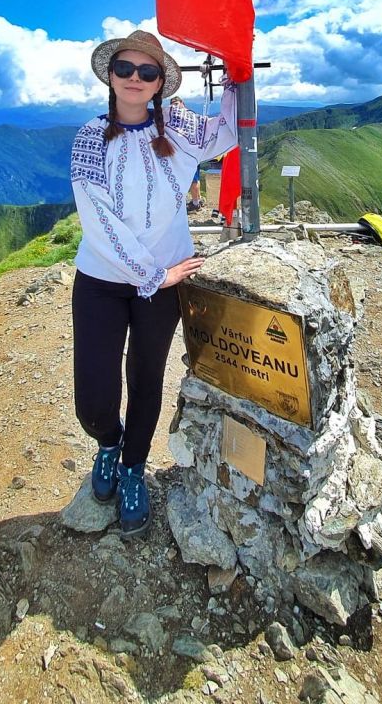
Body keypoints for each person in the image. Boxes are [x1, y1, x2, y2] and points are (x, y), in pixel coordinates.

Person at [70, 30, 237, 537]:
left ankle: (133, 466)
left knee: (146, 377)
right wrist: (152, 274)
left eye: (148, 72)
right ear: (110, 75)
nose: (135, 79)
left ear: (160, 82)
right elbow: (96, 216)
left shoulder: (180, 126)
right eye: (125, 69)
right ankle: (108, 441)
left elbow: (227, 133)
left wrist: (236, 75)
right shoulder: (89, 136)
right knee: (94, 392)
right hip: (104, 279)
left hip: (166, 281)